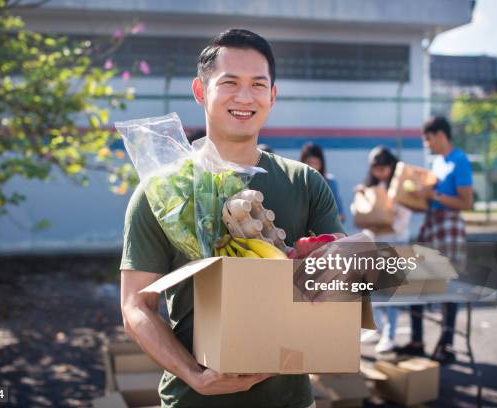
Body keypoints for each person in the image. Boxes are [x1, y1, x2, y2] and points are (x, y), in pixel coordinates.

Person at [120, 28, 344, 408]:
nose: (245, 97)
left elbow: (342, 282)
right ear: (199, 91)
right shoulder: (162, 194)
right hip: (192, 400)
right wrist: (194, 375)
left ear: (273, 95)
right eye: (229, 83)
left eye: (258, 84)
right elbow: (135, 306)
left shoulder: (304, 182)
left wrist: (317, 267)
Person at [396, 116, 473, 364]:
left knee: (447, 285)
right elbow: (433, 199)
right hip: (432, 225)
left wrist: (433, 194)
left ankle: (446, 344)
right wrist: (416, 199)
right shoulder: (437, 162)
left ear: (440, 135)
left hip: (449, 226)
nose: (425, 143)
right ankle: (417, 341)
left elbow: (466, 202)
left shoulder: (459, 161)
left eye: (427, 137)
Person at [358, 146, 412, 353]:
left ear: (392, 166)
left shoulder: (400, 188)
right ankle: (378, 328)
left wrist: (381, 223)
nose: (379, 173)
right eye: (375, 169)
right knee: (370, 291)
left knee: (390, 292)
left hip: (394, 245)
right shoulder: (372, 186)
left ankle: (390, 335)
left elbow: (401, 223)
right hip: (374, 244)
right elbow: (363, 216)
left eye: (383, 168)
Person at [300, 142, 346, 223]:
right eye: (309, 163)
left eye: (316, 163)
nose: (312, 167)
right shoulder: (295, 184)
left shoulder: (330, 183)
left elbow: (341, 216)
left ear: (322, 164)